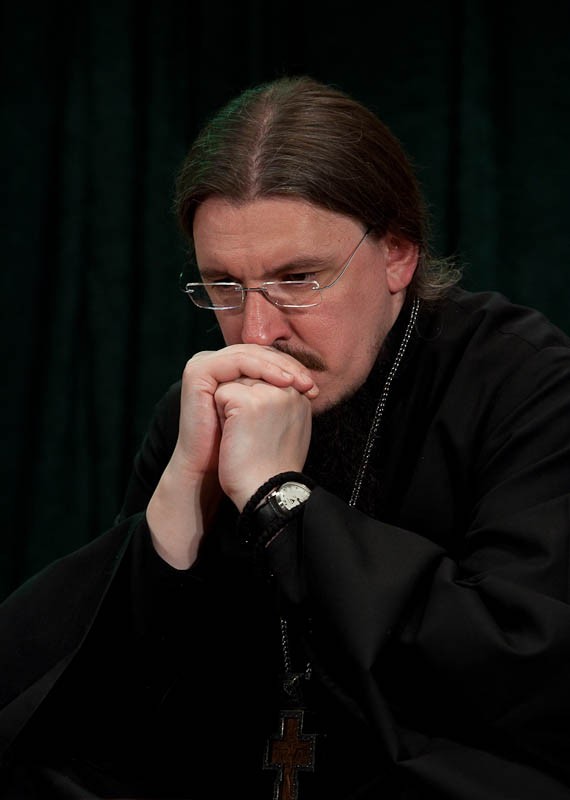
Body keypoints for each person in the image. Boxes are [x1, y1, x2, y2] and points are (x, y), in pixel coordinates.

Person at [1, 75, 570, 800]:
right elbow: (106, 698)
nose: (258, 330)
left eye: (297, 278)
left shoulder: (526, 384)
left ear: (398, 254)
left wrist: (281, 500)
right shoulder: (203, 406)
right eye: (224, 286)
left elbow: (527, 672)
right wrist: (176, 509)